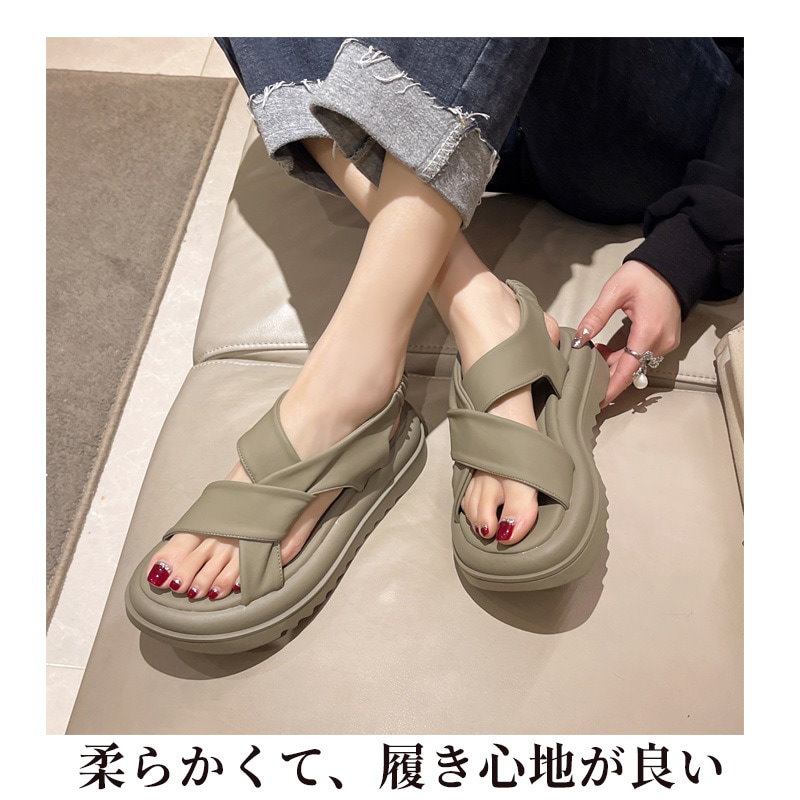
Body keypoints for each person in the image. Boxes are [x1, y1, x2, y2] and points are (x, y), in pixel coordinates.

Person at [134, 38, 742, 615]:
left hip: (614, 116)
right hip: (449, 84)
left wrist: (694, 240)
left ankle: (348, 382)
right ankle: (478, 305)